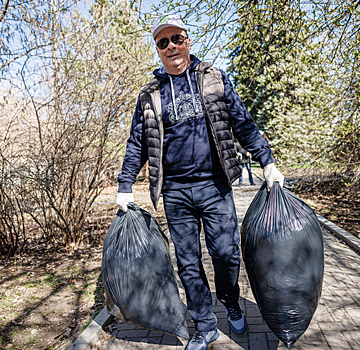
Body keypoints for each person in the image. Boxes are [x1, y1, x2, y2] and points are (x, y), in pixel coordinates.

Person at [115, 13, 284, 350]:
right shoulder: (150, 93)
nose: (171, 47)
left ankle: (230, 299)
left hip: (215, 186)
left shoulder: (213, 78)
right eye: (163, 43)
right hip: (175, 192)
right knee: (188, 263)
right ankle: (204, 325)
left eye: (176, 39)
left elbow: (242, 122)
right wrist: (124, 184)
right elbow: (138, 141)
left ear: (187, 41)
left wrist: (267, 162)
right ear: (158, 50)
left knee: (225, 254)